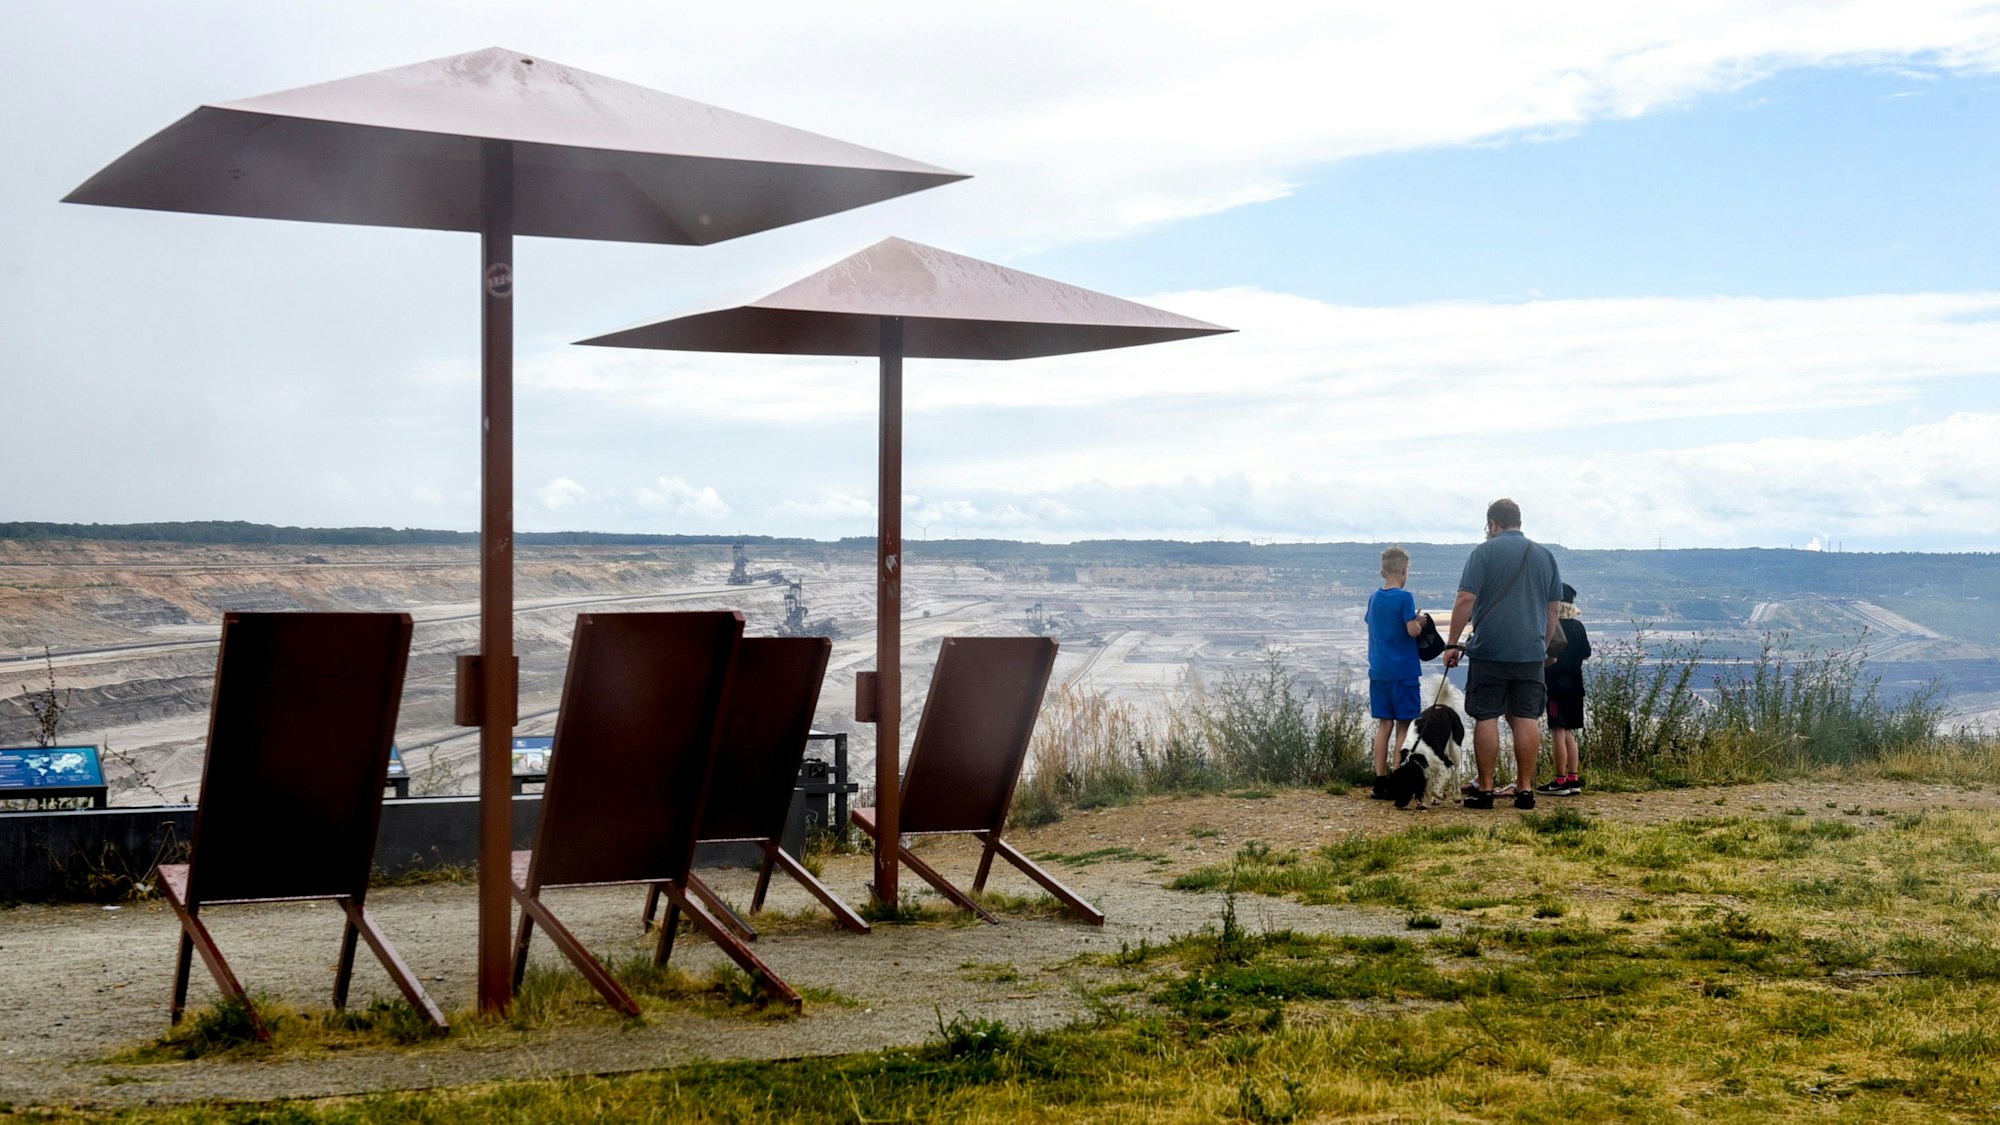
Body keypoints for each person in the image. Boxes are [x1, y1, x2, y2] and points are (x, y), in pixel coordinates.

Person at [1442, 498, 1562, 810]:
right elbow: (1553, 608)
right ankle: (1524, 790)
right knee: (1525, 717)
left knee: (1486, 715)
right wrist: (1542, 645)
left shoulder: (1483, 552)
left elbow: (1466, 598)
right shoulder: (1545, 555)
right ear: (1518, 521)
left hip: (1490, 650)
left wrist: (1452, 643)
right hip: (1530, 653)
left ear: (1493, 524)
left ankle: (1485, 789)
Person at [1366, 546, 1427, 800]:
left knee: (1384, 725)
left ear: (1383, 571)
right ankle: (1397, 776)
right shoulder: (1405, 598)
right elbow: (1412, 631)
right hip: (1403, 672)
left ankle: (1379, 780)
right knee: (1404, 726)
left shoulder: (1374, 598)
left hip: (1379, 671)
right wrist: (1419, 622)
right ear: (1404, 570)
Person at [1537, 583, 1592, 796]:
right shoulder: (1578, 627)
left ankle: (1559, 780)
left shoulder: (1550, 626)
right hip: (1576, 685)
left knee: (1557, 730)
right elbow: (1586, 653)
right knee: (1569, 732)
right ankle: (1573, 778)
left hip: (1555, 687)